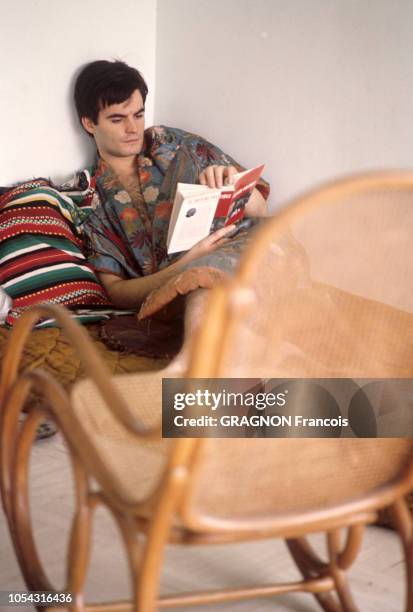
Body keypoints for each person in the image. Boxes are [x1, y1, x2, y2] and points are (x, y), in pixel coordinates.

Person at [74, 60, 269, 368]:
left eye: (138, 114)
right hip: (185, 283)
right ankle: (205, 365)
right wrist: (187, 263)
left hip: (247, 252)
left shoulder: (177, 145)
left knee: (274, 239)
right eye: (117, 119)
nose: (132, 128)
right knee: (204, 279)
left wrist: (232, 183)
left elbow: (261, 210)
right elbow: (116, 293)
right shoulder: (91, 197)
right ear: (89, 124)